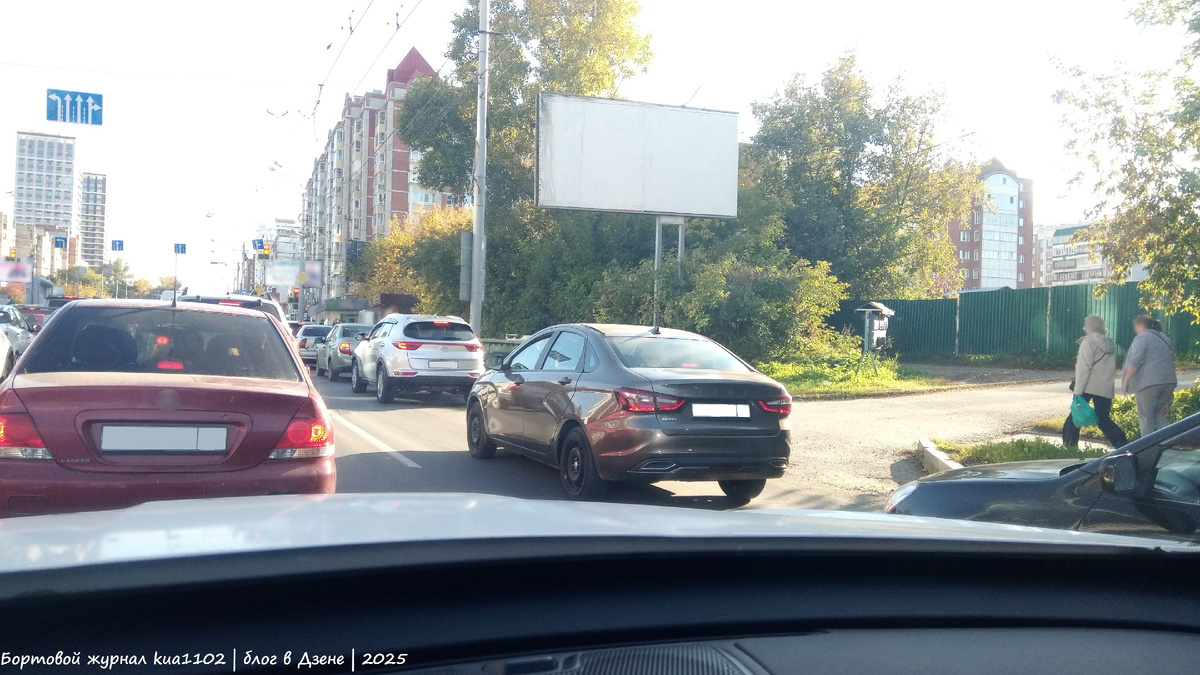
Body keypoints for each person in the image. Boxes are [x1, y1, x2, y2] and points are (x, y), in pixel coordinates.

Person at [1063, 314, 1126, 448]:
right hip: (1104, 388)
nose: (1084, 328)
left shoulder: (1088, 343)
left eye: (1086, 325)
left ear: (1090, 327)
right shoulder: (1109, 343)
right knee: (1103, 420)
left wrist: (1077, 391)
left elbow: (1083, 368)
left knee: (1074, 419)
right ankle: (1123, 444)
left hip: (1087, 387)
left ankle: (1069, 448)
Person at [1123, 314, 1177, 437]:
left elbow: (1136, 360)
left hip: (1149, 384)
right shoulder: (1164, 338)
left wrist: (1126, 380)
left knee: (1146, 417)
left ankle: (1148, 449)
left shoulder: (1143, 337)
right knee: (1157, 414)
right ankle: (1175, 440)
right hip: (1169, 381)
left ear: (1141, 325)